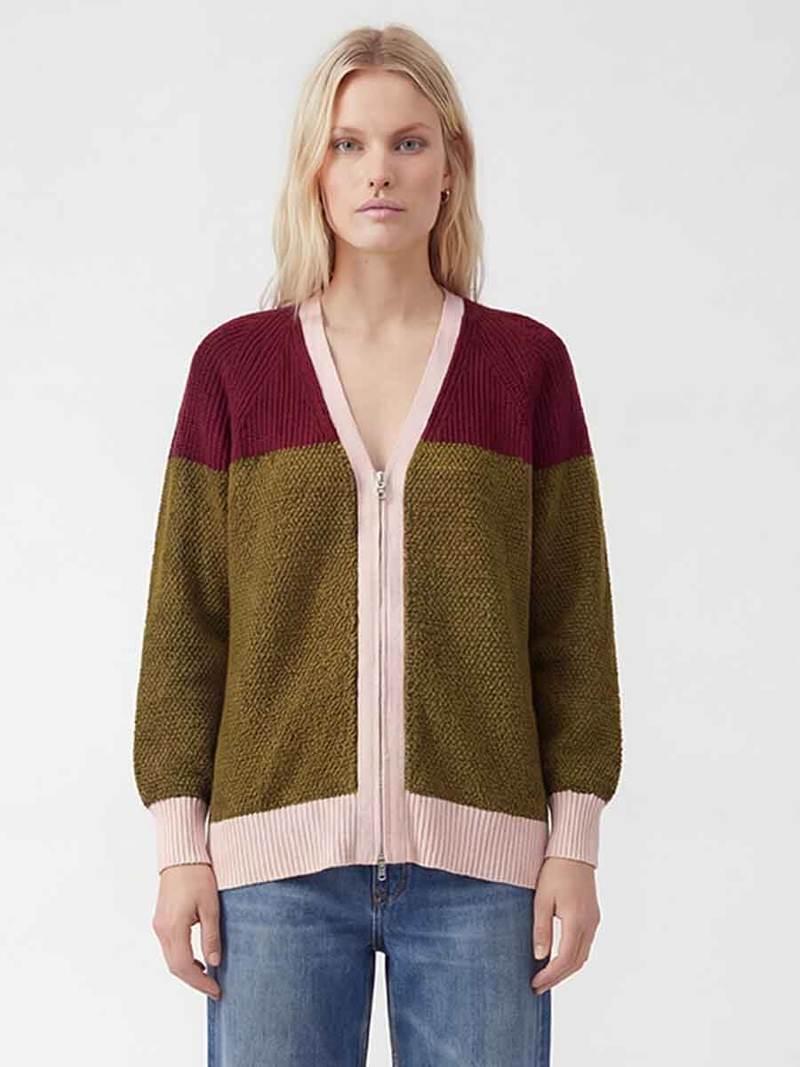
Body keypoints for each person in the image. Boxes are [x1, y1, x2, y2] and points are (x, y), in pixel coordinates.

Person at [133, 22, 623, 1066]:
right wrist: (180, 847)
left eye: (407, 142)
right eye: (348, 144)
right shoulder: (235, 369)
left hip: (484, 871)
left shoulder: (524, 367)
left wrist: (574, 841)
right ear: (313, 169)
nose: (378, 172)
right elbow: (187, 623)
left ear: (450, 165)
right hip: (274, 872)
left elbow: (571, 623)